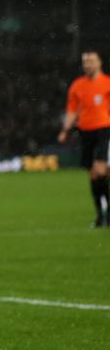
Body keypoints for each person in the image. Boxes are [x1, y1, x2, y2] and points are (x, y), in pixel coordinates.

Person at [58, 50, 110, 227]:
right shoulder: (77, 86)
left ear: (99, 63)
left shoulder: (107, 83)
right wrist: (65, 130)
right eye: (85, 62)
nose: (88, 64)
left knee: (101, 170)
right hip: (85, 131)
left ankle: (108, 213)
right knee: (93, 174)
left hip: (104, 130)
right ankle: (100, 215)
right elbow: (72, 110)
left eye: (91, 61)